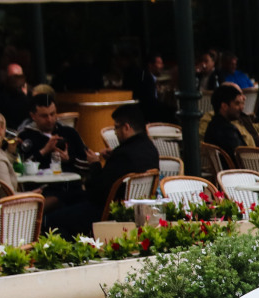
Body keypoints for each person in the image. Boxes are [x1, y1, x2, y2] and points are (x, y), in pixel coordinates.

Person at [46, 104, 157, 239]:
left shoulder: (123, 155)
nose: (115, 132)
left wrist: (95, 164)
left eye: (116, 127)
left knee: (51, 220)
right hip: (136, 212)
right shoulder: (150, 149)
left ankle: (73, 254)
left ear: (126, 127)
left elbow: (96, 192)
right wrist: (113, 155)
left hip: (107, 213)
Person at [16, 93, 91, 173]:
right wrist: (44, 151)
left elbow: (88, 164)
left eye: (52, 114)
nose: (50, 119)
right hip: (41, 183)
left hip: (70, 183)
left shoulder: (69, 133)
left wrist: (68, 159)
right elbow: (20, 169)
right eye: (44, 116)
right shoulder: (24, 136)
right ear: (33, 116)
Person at [127, 54, 172, 123]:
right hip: (149, 115)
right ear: (150, 65)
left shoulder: (151, 78)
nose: (162, 66)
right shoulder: (145, 78)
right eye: (159, 63)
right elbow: (150, 101)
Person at [0, 109, 18, 194]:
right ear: (0, 128)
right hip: (1, 206)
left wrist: (10, 152)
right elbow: (8, 196)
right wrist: (31, 195)